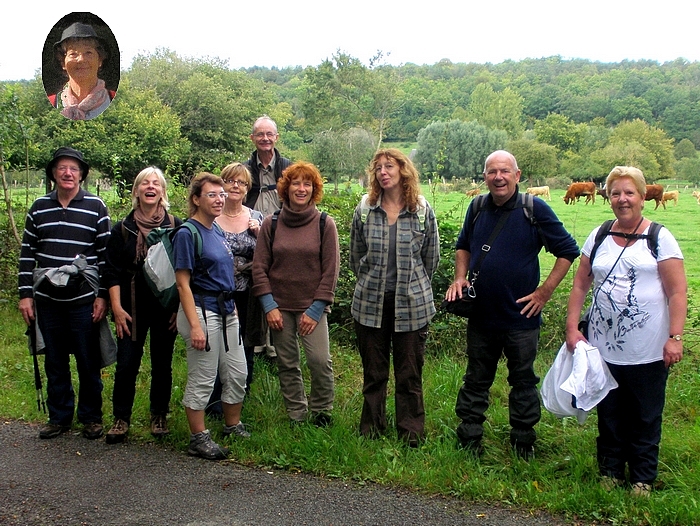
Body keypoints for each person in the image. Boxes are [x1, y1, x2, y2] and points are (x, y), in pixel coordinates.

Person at [446, 150, 579, 459]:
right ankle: (469, 440)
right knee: (476, 379)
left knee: (523, 382)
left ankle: (523, 444)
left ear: (517, 176)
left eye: (505, 171)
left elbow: (568, 251)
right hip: (481, 316)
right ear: (485, 177)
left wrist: (544, 292)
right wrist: (459, 278)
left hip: (521, 317)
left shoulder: (535, 209)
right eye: (492, 171)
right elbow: (463, 245)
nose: (498, 177)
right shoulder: (477, 207)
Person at [565, 166, 686, 496]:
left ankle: (643, 479)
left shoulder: (659, 238)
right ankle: (610, 472)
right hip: (604, 349)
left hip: (649, 349)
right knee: (610, 414)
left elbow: (677, 292)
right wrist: (572, 327)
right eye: (615, 192)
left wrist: (675, 337)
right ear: (608, 197)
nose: (622, 199)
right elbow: (580, 284)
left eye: (629, 192)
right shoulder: (600, 235)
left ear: (643, 196)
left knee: (645, 416)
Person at [18, 147, 111, 440]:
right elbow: (26, 254)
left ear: (82, 174)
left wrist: (103, 296)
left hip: (84, 299)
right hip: (47, 300)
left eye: (73, 168)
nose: (68, 173)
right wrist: (25, 295)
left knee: (88, 360)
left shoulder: (96, 206)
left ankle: (91, 418)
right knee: (54, 362)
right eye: (62, 168)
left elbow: (106, 257)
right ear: (54, 174)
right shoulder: (38, 207)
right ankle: (59, 418)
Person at [350, 149, 440, 447]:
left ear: (404, 170)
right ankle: (371, 431)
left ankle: (410, 433)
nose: (383, 172)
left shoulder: (422, 211)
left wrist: (411, 286)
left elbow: (431, 259)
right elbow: (356, 257)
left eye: (389, 166)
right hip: (370, 303)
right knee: (374, 373)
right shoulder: (365, 209)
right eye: (378, 168)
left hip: (412, 306)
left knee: (409, 374)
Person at [252, 161, 339, 426]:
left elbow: (330, 272)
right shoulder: (272, 224)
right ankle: (296, 414)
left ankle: (322, 411)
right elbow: (259, 268)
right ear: (286, 188)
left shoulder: (325, 224)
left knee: (319, 361)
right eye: (296, 183)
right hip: (279, 308)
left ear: (314, 190)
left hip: (312, 307)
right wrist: (269, 306)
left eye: (307, 184)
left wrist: (315, 310)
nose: (301, 189)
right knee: (287, 363)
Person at [173, 173, 250, 460]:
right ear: (196, 199)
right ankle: (198, 438)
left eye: (222, 194)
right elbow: (183, 283)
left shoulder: (215, 229)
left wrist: (234, 308)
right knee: (204, 377)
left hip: (228, 310)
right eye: (212, 195)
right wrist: (195, 326)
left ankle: (232, 425)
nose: (220, 199)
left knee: (237, 371)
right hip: (203, 311)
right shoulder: (187, 233)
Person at [102, 167, 181, 443]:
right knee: (126, 364)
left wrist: (178, 309)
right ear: (136, 191)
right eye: (144, 183)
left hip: (165, 306)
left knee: (162, 363)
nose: (150, 187)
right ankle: (121, 418)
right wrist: (117, 309)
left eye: (156, 183)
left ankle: (159, 416)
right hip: (130, 305)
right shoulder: (123, 229)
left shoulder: (175, 225)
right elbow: (110, 270)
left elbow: (185, 271)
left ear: (162, 191)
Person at [206, 163, 263, 416]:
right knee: (218, 346)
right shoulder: (210, 218)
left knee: (245, 345)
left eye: (241, 182)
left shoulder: (257, 218)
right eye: (230, 181)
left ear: (247, 187)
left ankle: (240, 397)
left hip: (248, 294)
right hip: (217, 294)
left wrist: (260, 235)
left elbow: (269, 258)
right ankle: (215, 401)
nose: (235, 186)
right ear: (222, 186)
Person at [243, 115, 292, 360]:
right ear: (252, 138)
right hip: (250, 235)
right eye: (260, 134)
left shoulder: (288, 167)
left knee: (279, 286)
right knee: (256, 284)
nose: (265, 139)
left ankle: (277, 346)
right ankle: (257, 343)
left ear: (276, 137)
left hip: (282, 234)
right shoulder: (245, 169)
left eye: (269, 134)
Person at [48, 22, 116, 120]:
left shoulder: (115, 100)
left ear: (100, 60)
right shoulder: (52, 103)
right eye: (73, 54)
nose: (81, 59)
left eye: (88, 52)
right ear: (63, 63)